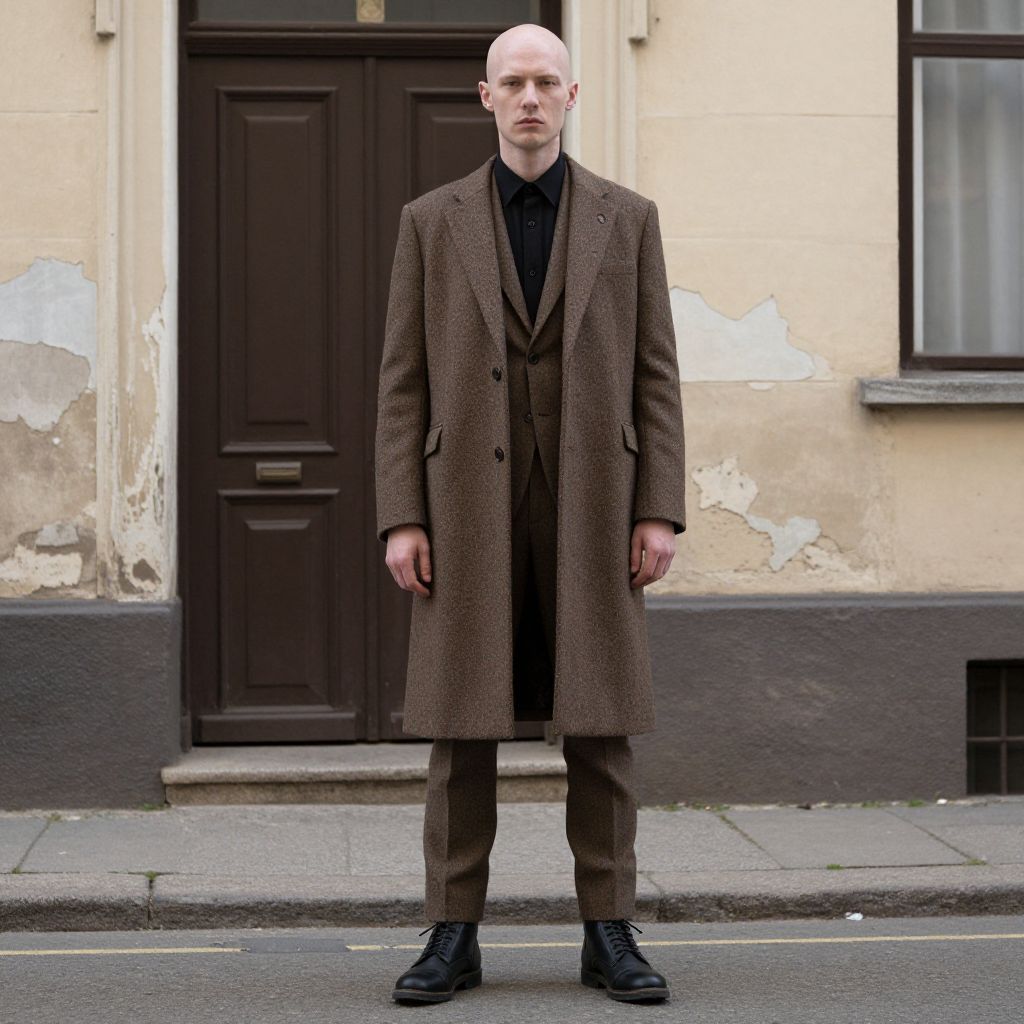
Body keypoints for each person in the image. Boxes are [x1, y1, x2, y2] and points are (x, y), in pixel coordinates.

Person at [374, 21, 686, 1005]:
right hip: (465, 507)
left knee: (599, 729)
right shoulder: (431, 221)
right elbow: (402, 384)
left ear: (572, 95)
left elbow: (655, 377)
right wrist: (401, 516)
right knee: (459, 732)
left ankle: (609, 932)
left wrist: (659, 509)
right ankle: (450, 935)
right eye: (511, 81)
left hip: (594, 505)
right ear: (483, 96)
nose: (528, 98)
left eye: (545, 81)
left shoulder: (625, 220)